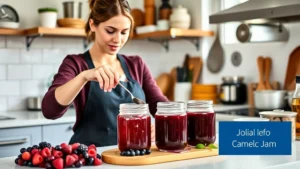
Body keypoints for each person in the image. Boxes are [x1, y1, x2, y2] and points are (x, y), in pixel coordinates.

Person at [42, 0, 168, 147]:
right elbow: (49, 110)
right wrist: (84, 76)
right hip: (91, 158)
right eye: (110, 31)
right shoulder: (76, 63)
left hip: (130, 156)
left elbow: (161, 106)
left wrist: (159, 127)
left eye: (124, 32)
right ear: (93, 25)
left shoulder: (136, 64)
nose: (117, 39)